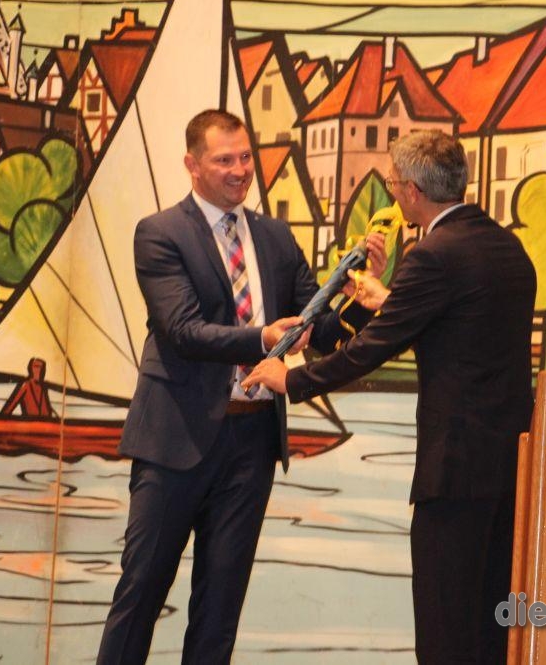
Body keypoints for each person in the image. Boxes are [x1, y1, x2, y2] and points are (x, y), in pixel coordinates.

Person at [97, 109, 385, 664]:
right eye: (224, 160)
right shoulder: (159, 233)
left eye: (246, 157)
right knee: (140, 595)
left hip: (251, 445)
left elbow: (320, 331)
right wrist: (262, 338)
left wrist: (364, 300)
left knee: (219, 611)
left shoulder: (275, 237)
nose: (239, 170)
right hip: (174, 441)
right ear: (192, 165)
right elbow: (182, 330)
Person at [245, 129, 537, 664]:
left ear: (413, 193)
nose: (394, 192)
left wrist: (293, 380)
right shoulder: (507, 248)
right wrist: (384, 297)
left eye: (395, 183)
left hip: (453, 472)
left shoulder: (433, 256)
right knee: (491, 628)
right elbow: (459, 324)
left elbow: (372, 349)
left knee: (445, 632)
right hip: (510, 473)